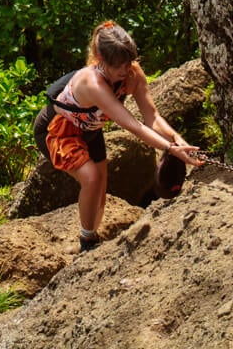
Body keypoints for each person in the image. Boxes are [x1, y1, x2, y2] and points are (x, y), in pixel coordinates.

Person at [35, 21, 205, 250]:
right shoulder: (92, 83)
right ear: (100, 59)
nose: (124, 71)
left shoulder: (132, 74)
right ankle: (87, 241)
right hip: (58, 130)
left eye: (128, 63)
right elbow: (133, 125)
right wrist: (170, 149)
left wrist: (177, 140)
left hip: (90, 131)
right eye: (118, 67)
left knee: (101, 186)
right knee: (91, 178)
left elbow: (151, 117)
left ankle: (92, 232)